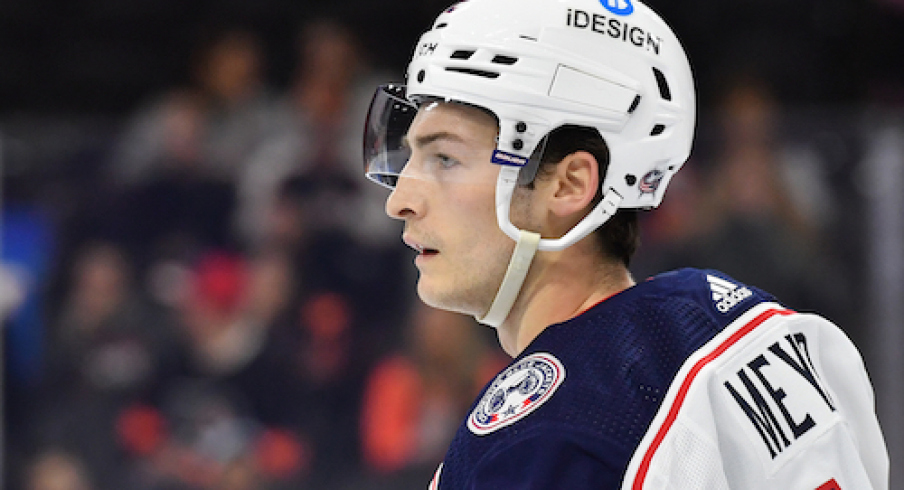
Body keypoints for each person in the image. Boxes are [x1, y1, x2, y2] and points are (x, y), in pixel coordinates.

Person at [360, 0, 889, 488]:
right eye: (410, 157)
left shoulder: (544, 442)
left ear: (568, 185)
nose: (399, 201)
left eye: (445, 159)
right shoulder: (755, 325)